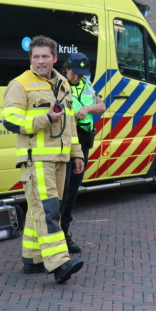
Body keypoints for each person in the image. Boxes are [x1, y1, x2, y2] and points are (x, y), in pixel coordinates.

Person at [2, 36, 85, 282]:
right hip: (35, 159)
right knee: (49, 210)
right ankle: (58, 263)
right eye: (36, 57)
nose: (40, 61)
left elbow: (70, 123)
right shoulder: (19, 84)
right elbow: (10, 120)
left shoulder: (63, 83)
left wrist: (76, 153)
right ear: (30, 59)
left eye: (45, 56)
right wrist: (45, 119)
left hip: (59, 158)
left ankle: (33, 259)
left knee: (39, 208)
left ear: (54, 58)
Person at [59, 53, 106, 254]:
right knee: (62, 190)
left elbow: (101, 106)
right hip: (66, 141)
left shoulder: (87, 84)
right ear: (66, 68)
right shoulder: (59, 85)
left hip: (83, 141)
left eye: (80, 73)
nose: (76, 76)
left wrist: (87, 108)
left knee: (73, 189)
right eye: (73, 72)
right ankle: (56, 236)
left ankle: (65, 232)